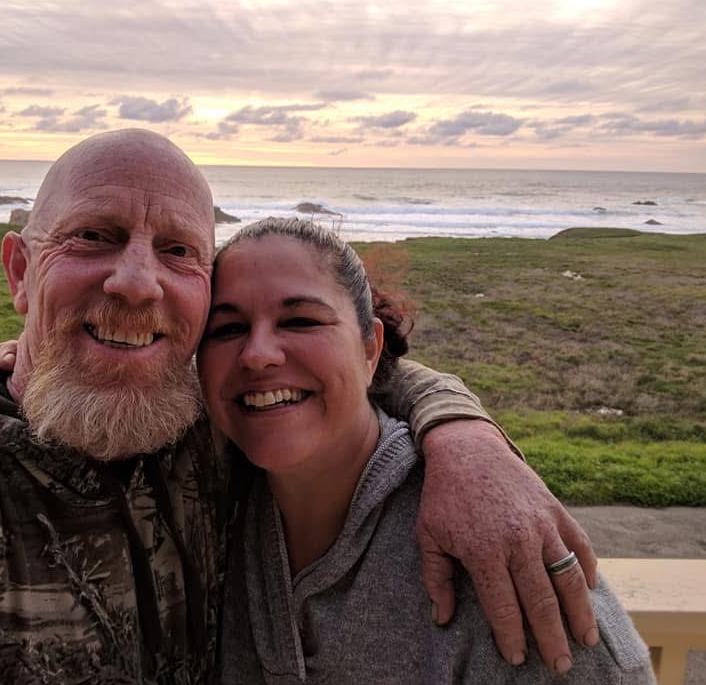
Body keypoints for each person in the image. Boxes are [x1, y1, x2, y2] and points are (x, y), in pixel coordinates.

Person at [0, 129, 590, 683]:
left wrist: (466, 438)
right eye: (94, 235)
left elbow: (341, 369)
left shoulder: (218, 437)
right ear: (20, 272)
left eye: (178, 251)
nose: (138, 282)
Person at [200, 217, 653, 683]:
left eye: (301, 321)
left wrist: (468, 440)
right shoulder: (208, 495)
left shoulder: (481, 541)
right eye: (228, 328)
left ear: (371, 349)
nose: (257, 354)